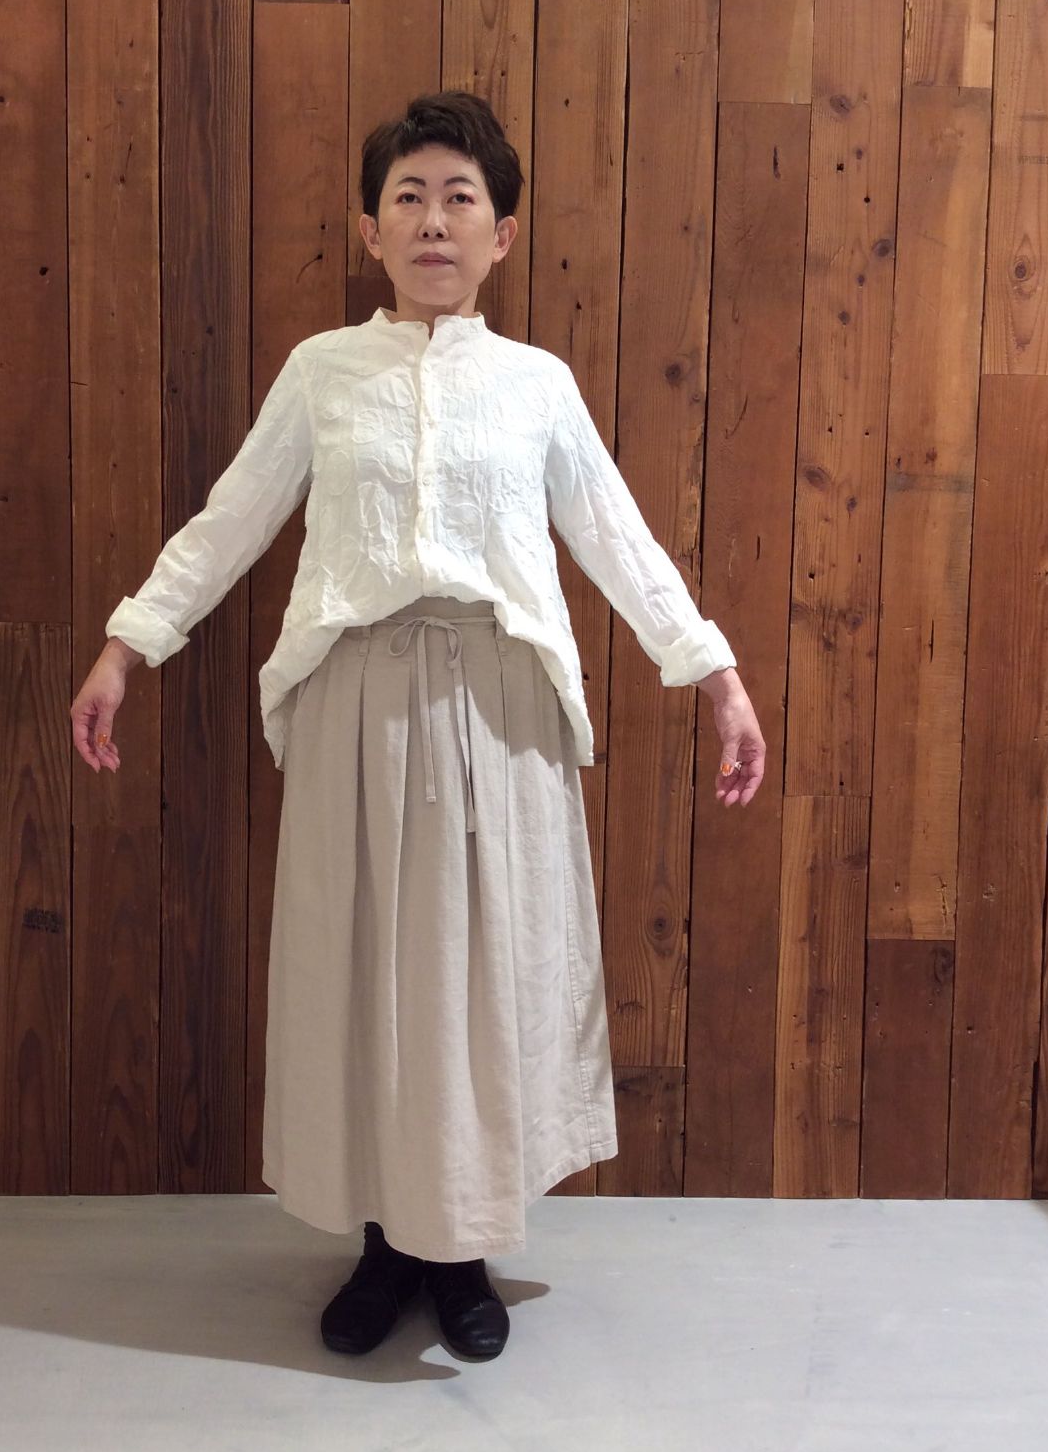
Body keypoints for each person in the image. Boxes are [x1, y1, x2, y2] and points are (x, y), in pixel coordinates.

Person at [70, 91, 766, 1363]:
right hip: (356, 705)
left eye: (459, 199)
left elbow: (612, 534)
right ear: (370, 230)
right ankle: (386, 1241)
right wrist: (129, 644)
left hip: (499, 712)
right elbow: (231, 520)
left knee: (477, 980)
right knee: (364, 973)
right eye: (409, 198)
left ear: (501, 235)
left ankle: (459, 1249)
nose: (433, 221)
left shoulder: (535, 386)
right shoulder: (320, 373)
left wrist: (710, 672)